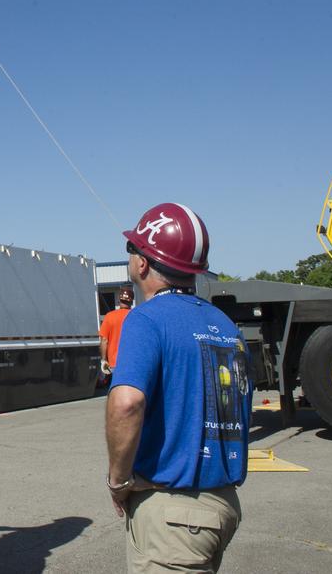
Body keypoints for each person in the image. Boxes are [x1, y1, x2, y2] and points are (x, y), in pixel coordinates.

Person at [105, 203, 252, 573]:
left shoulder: (146, 319)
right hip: (222, 504)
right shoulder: (225, 325)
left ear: (142, 263)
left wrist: (118, 480)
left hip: (173, 514)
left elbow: (126, 403)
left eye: (133, 249)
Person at [99, 286, 135, 382]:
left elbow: (104, 340)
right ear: (131, 302)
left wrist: (103, 360)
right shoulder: (137, 316)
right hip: (133, 363)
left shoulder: (109, 317)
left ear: (119, 301)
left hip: (114, 363)